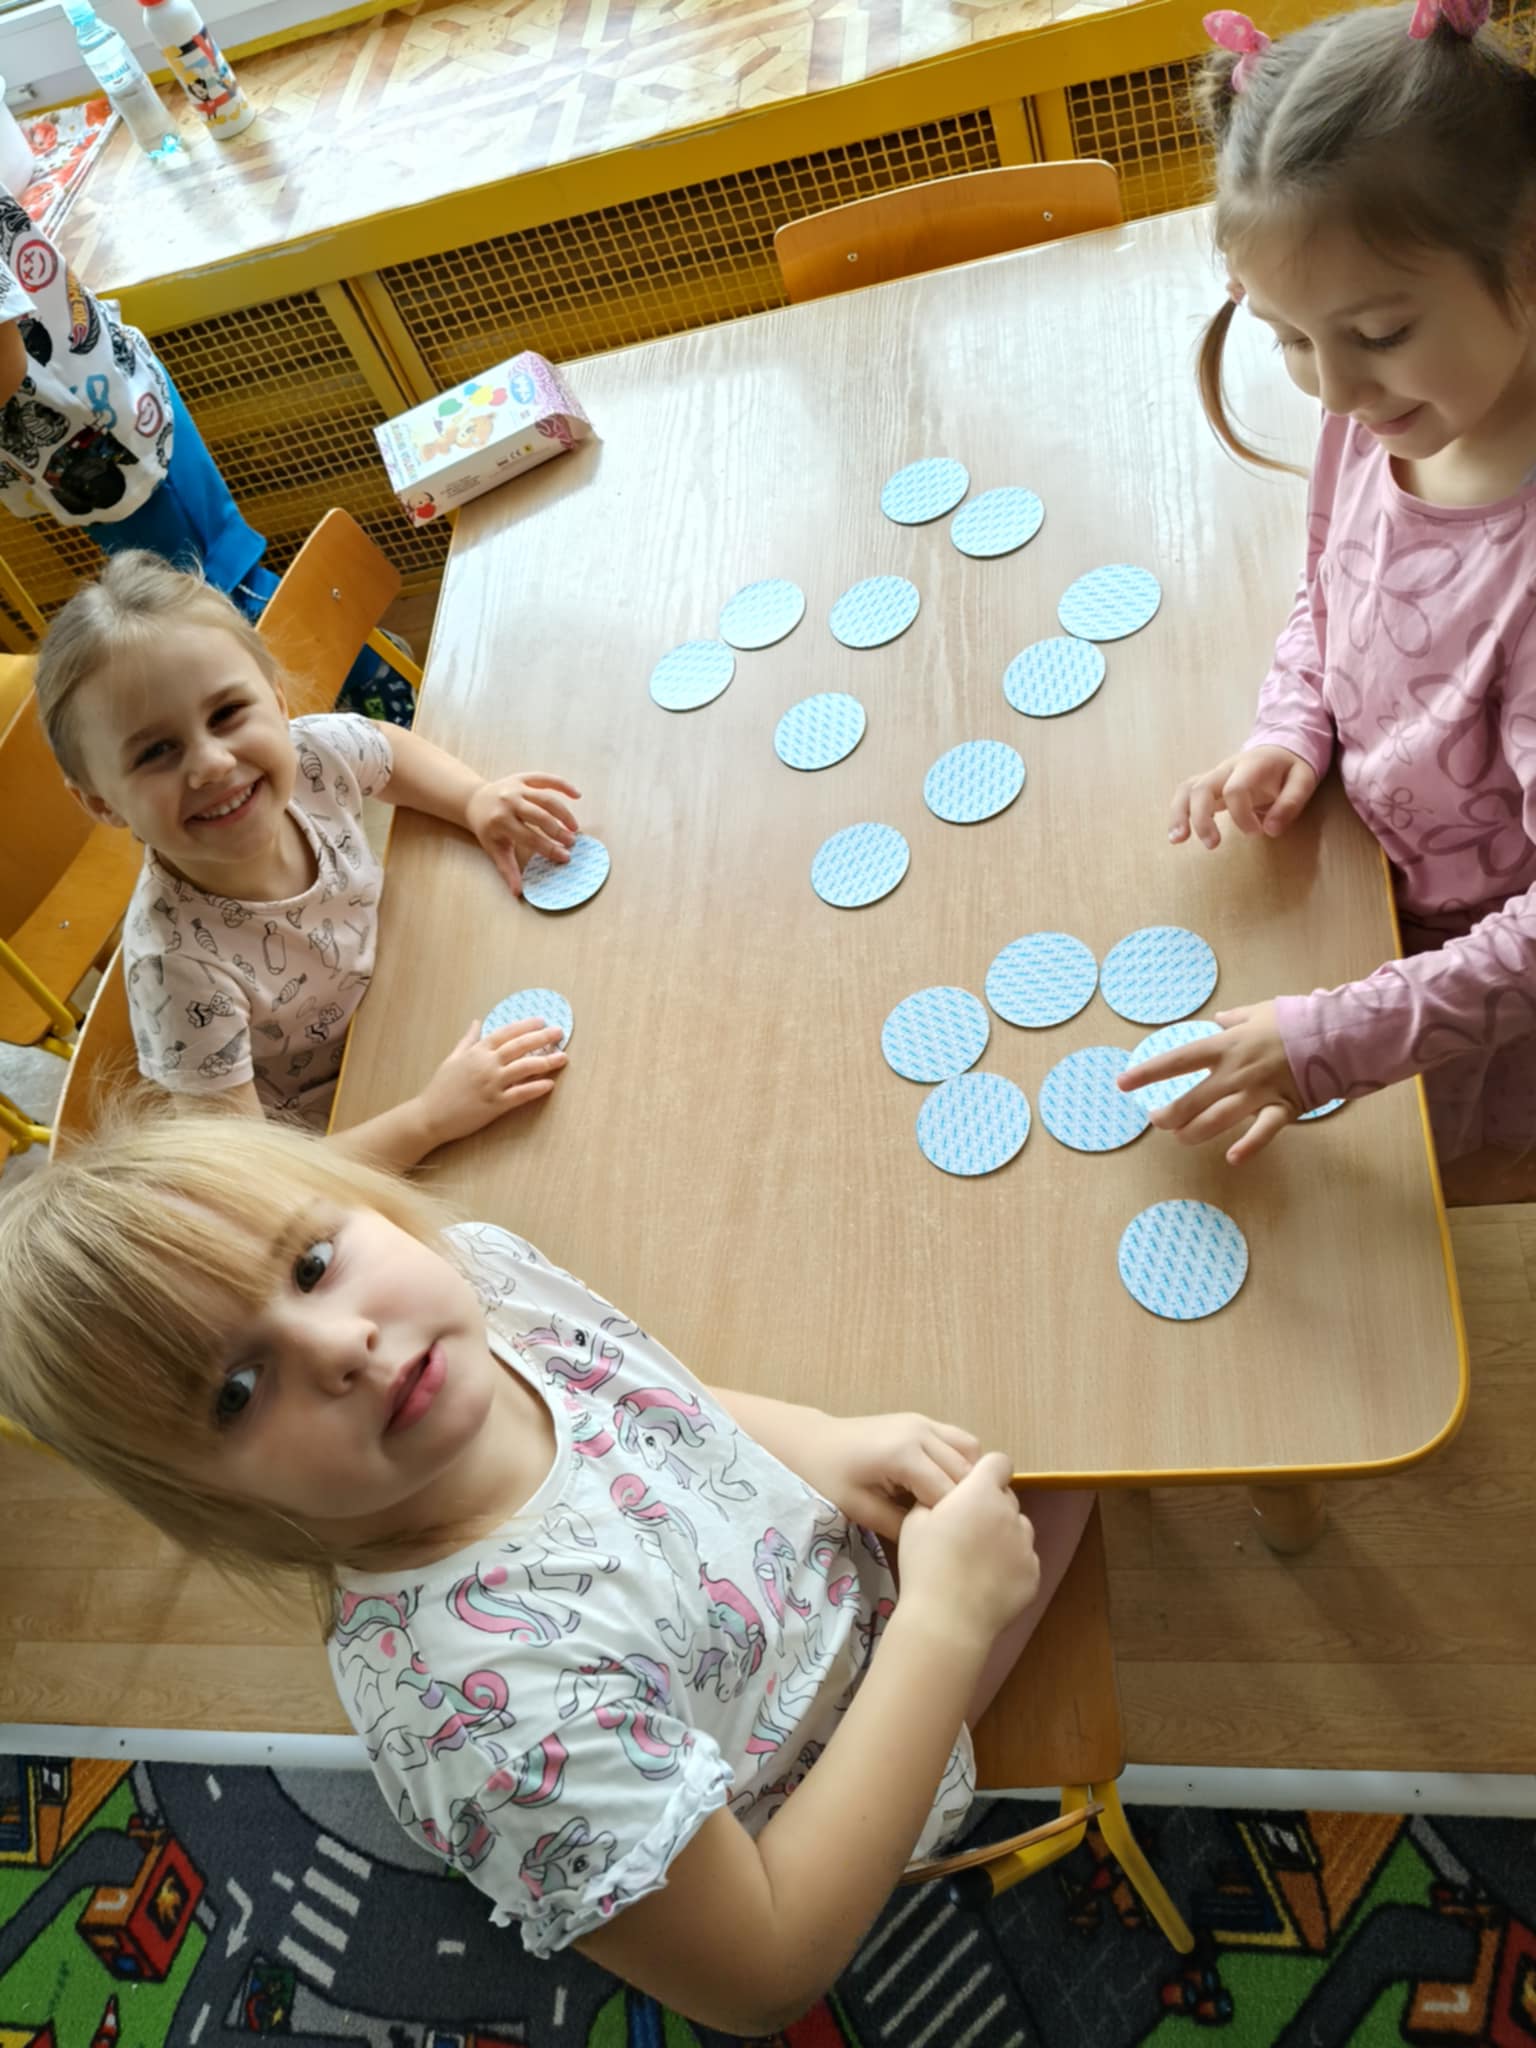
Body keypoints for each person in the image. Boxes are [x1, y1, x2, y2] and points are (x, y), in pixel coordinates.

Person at [0, 1107, 1093, 2032]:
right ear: (214, 1499)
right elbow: (764, 1970)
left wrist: (819, 1438)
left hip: (799, 1567)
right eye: (237, 1391)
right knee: (1097, 1470)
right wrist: (944, 1621)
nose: (340, 1346)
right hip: (829, 1763)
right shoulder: (493, 1727)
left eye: (311, 1264)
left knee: (1070, 1413)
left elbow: (640, 1393)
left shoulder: (476, 1287)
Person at [1118, 0, 1536, 1194]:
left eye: (1379, 331)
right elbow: (1335, 587)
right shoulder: (1395, 409)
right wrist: (1295, 721)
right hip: (1362, 880)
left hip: (1465, 987)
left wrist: (1327, 1041)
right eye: (1290, 340)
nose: (1335, 391)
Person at [34, 551, 582, 1168]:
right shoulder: (176, 971)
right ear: (101, 803)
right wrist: (431, 1118)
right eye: (156, 751)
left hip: (410, 997)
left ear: (277, 701)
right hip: (346, 1122)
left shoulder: (312, 753)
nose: (212, 763)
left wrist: (473, 797)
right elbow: (263, 1176)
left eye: (227, 714)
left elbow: (386, 751)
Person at [0, 196, 412, 724]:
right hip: (82, 438)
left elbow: (6, 362)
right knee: (210, 588)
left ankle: (375, 671)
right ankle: (363, 662)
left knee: (218, 589)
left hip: (104, 436)